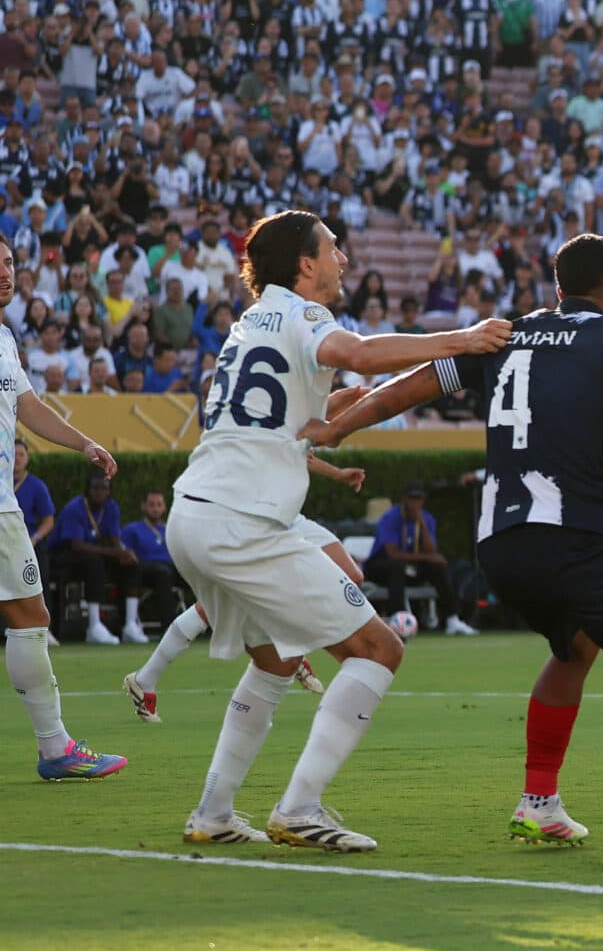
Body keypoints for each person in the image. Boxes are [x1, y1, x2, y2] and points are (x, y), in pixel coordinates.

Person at [304, 233, 603, 863]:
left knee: (575, 646)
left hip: (500, 545)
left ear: (559, 288)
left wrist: (337, 426)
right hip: (573, 537)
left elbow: (408, 390)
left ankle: (539, 804)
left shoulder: (505, 336)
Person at [167, 210, 511, 851]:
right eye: (333, 248)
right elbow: (357, 355)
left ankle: (213, 813)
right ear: (305, 264)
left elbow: (326, 406)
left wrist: (424, 382)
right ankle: (300, 807)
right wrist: (460, 339)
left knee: (275, 663)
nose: (344, 259)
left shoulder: (249, 326)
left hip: (194, 515)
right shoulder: (304, 316)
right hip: (245, 523)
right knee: (379, 650)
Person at [0, 240, 130, 780]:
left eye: (9, 262)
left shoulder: (5, 338)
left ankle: (56, 748)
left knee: (29, 617)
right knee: (30, 618)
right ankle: (55, 749)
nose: (6, 271)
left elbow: (29, 408)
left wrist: (84, 444)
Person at [119, 447, 369, 723]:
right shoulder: (241, 424)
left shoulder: (279, 417)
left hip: (288, 517)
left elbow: (301, 452)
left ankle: (288, 640)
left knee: (351, 577)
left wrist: (339, 473)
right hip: (250, 520)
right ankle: (145, 678)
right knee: (214, 606)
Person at [364, 483, 478, 635]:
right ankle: (398, 619)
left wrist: (422, 525)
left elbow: (432, 550)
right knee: (397, 567)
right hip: (379, 566)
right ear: (404, 499)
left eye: (418, 499)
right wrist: (428, 557)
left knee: (437, 568)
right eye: (412, 498)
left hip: (409, 566)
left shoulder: (427, 519)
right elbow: (393, 553)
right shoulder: (391, 517)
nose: (414, 503)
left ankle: (453, 620)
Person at [55, 473, 143, 646]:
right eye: (95, 488)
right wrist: (113, 552)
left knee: (131, 564)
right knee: (94, 562)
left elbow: (115, 541)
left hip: (92, 555)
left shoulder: (111, 507)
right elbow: (76, 545)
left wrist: (124, 553)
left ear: (109, 491)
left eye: (104, 488)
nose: (100, 492)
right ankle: (94, 626)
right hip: (64, 556)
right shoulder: (75, 508)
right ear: (88, 490)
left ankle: (130, 625)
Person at [117, 489, 186, 645]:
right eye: (151, 504)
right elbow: (125, 553)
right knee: (163, 574)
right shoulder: (132, 529)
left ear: (164, 508)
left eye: (159, 504)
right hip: (146, 569)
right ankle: (169, 630)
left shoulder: (171, 529)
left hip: (172, 568)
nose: (155, 508)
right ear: (144, 507)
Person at [13, 441, 56, 614]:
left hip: (28, 542)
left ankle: (46, 627)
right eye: (13, 454)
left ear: (28, 458)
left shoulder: (37, 486)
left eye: (21, 455)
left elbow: (49, 520)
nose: (17, 459)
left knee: (40, 579)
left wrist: (35, 538)